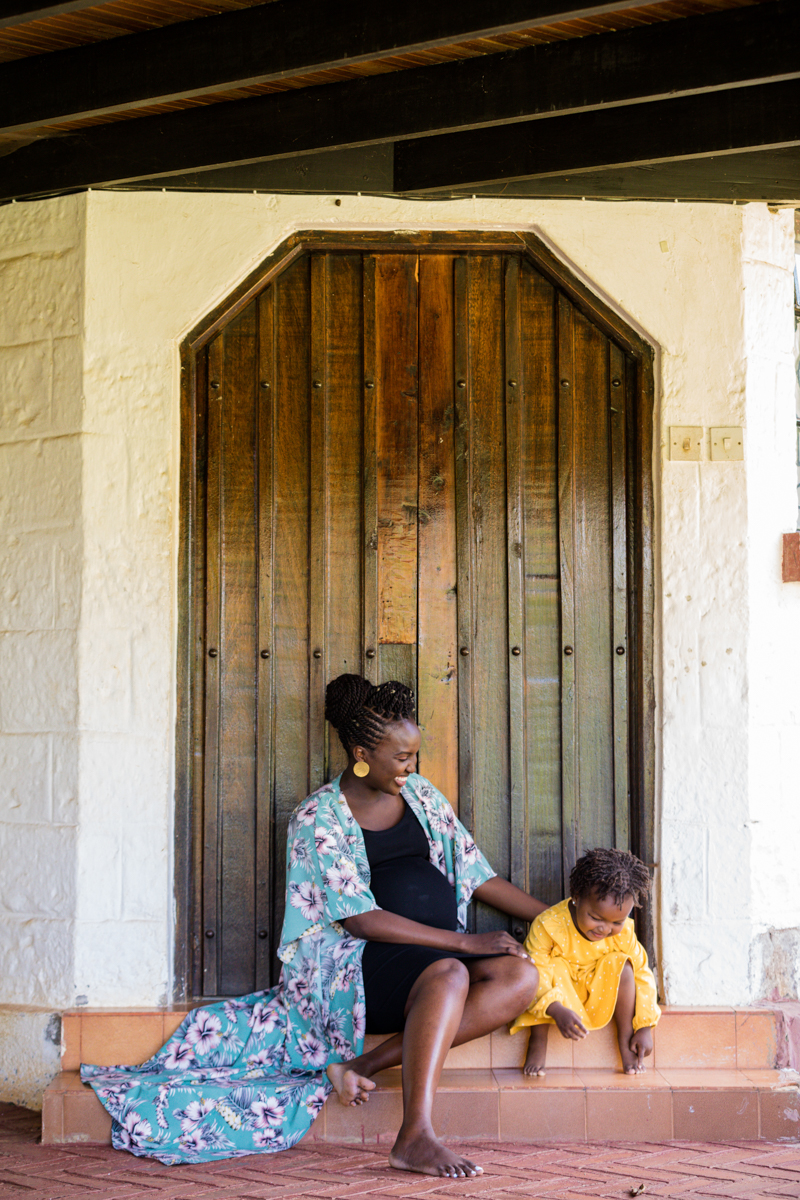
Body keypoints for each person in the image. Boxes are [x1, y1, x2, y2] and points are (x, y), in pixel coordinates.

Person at [81, 675, 546, 1176]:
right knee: (452, 973)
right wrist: (465, 941)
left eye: (414, 755)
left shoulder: (423, 797)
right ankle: (415, 1136)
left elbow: (477, 873)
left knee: (521, 977)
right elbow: (360, 919)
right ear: (360, 750)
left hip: (434, 956)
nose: (411, 768)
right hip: (357, 966)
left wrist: (554, 918)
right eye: (402, 758)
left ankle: (362, 1067)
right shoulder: (317, 817)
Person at [509, 847, 660, 1077]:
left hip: (598, 992)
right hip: (557, 994)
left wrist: (645, 1026)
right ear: (577, 897)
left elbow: (643, 973)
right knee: (546, 967)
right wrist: (555, 1008)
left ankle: (626, 1038)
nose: (605, 928)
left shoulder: (624, 933)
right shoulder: (549, 925)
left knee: (626, 966)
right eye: (596, 918)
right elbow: (536, 966)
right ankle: (538, 1039)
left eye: (617, 922)